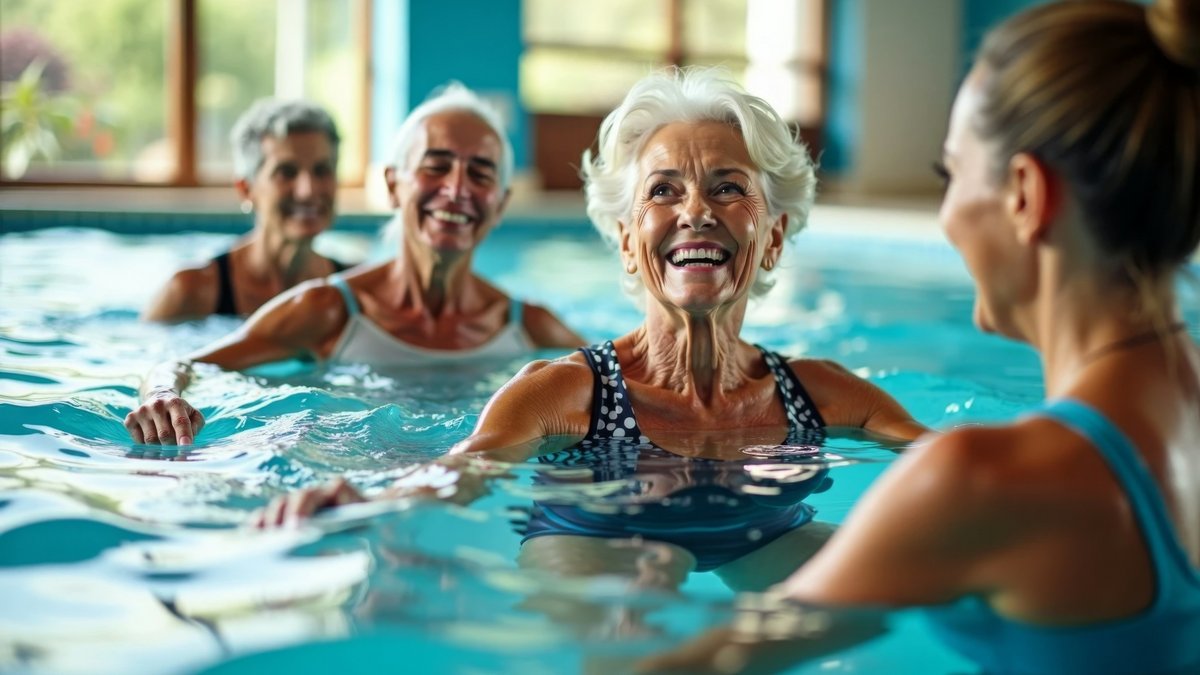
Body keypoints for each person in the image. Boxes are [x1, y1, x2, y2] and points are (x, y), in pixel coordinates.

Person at [641, 1, 1200, 673]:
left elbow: (709, 663)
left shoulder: (988, 480)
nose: (946, 214)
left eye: (950, 175)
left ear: (1023, 193)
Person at [252, 68, 927, 590]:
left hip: (763, 533)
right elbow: (462, 471)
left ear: (774, 235)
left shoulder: (822, 393)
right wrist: (362, 502)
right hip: (590, 535)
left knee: (902, 581)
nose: (695, 211)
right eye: (663, 190)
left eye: (728, 187)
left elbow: (956, 462)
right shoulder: (563, 393)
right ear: (631, 242)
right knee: (639, 604)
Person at [124, 83, 584, 446]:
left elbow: (627, 381)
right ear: (392, 185)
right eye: (436, 166)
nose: (457, 188)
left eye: (480, 173)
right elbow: (184, 363)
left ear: (501, 204)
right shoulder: (328, 309)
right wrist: (164, 395)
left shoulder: (533, 326)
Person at [143, 99, 351, 322]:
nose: (308, 190)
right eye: (286, 172)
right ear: (246, 189)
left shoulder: (356, 290)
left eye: (322, 170)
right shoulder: (192, 293)